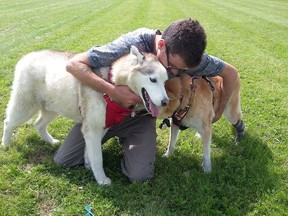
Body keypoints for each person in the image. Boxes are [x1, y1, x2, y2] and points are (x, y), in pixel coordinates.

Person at [53, 18, 238, 182]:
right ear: (162, 45)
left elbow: (231, 73)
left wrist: (219, 111)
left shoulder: (189, 58)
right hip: (105, 112)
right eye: (171, 66)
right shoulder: (133, 42)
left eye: (180, 70)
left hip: (140, 117)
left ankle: (130, 139)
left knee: (139, 175)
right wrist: (113, 91)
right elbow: (73, 65)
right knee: (65, 160)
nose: (173, 73)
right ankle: (115, 136)